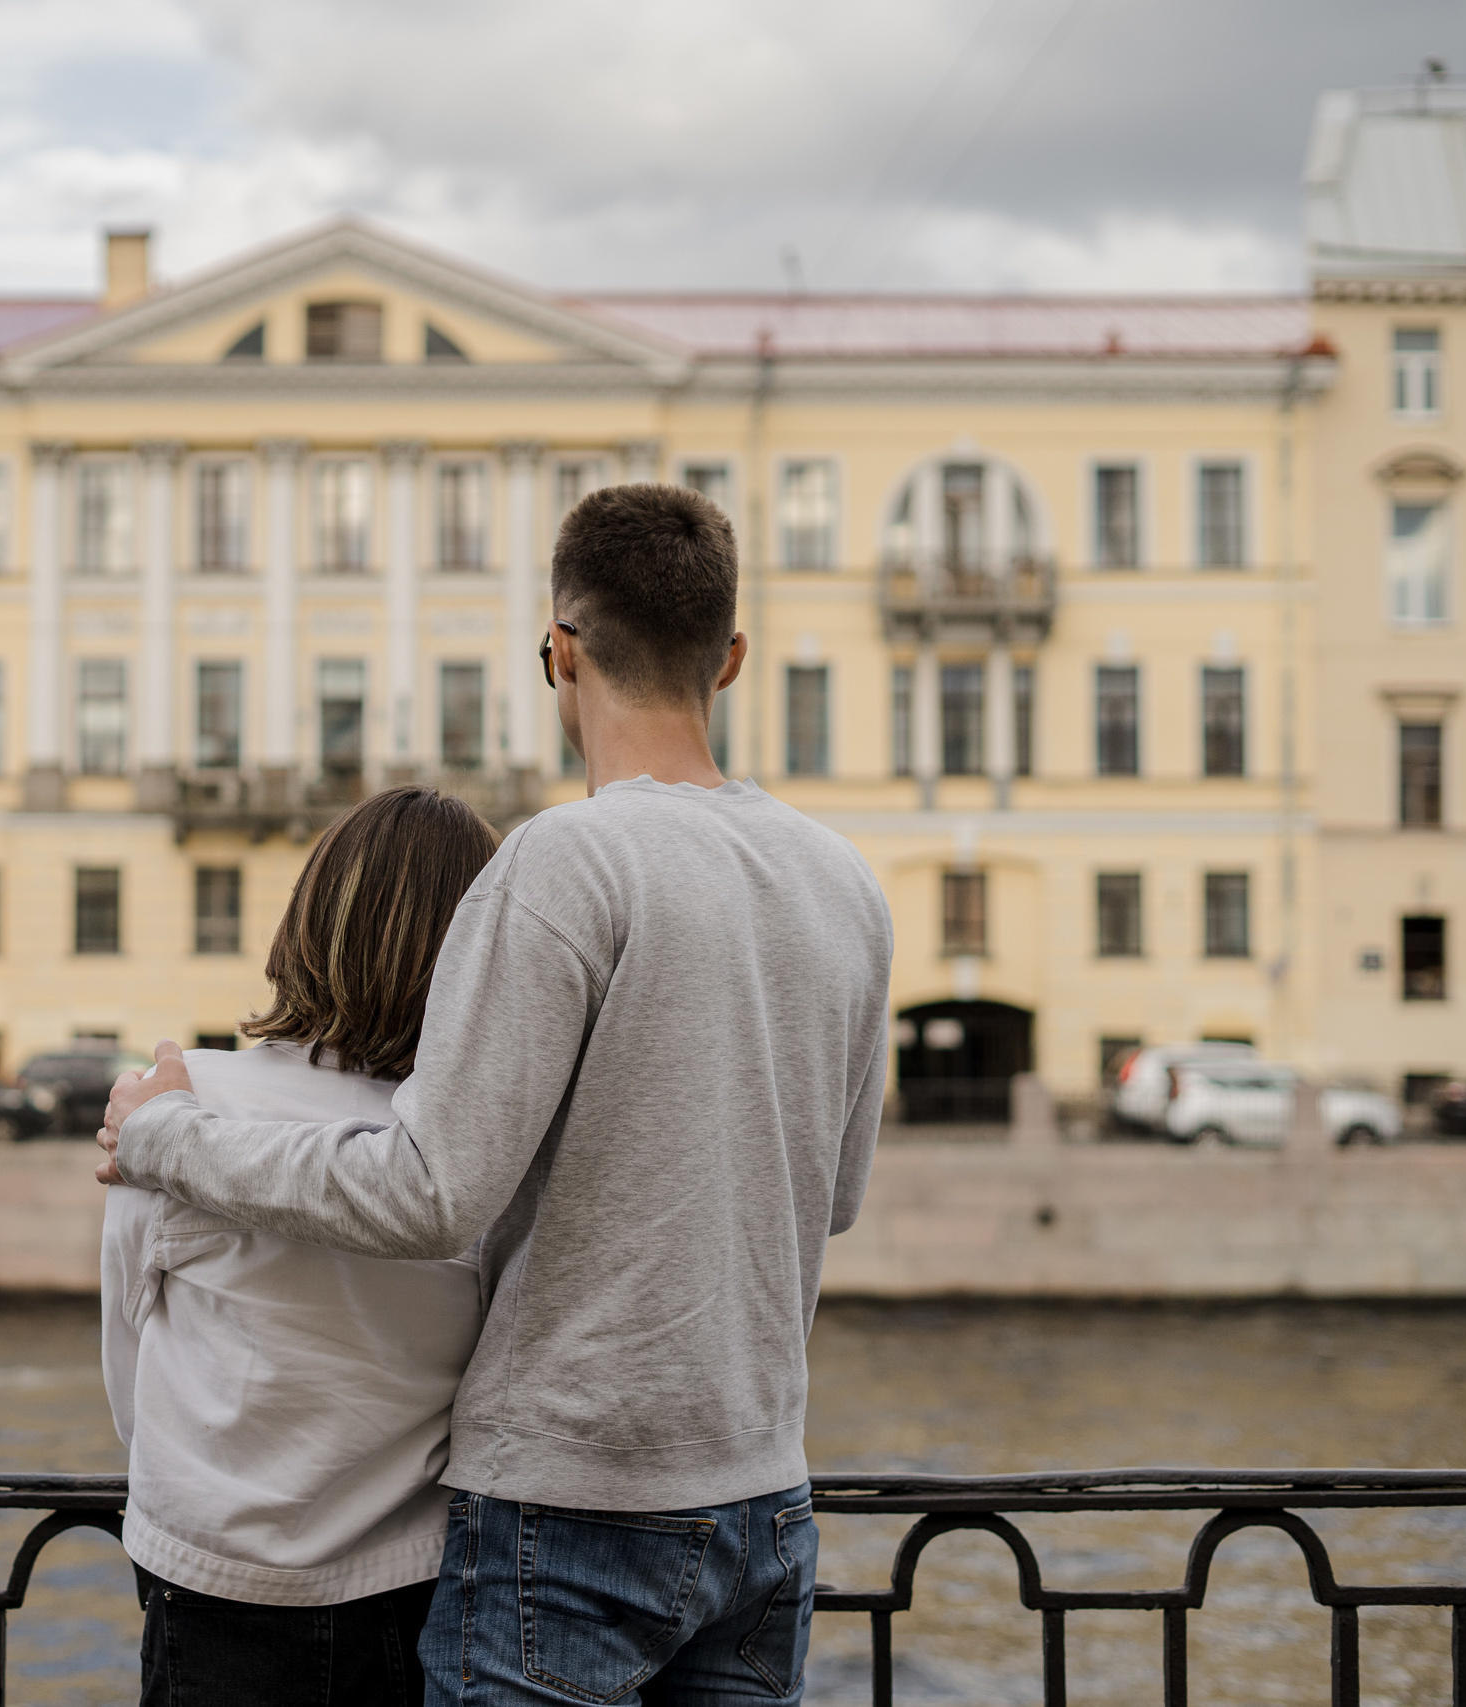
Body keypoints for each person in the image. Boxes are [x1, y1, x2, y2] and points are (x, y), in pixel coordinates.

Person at [100, 482, 893, 1705]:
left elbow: (428, 1193)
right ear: (730, 661)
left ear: (557, 652)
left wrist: (165, 1140)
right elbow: (833, 1198)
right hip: (763, 1499)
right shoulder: (845, 884)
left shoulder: (565, 860)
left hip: (565, 1514)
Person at [102, 785, 503, 1706]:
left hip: (210, 1577)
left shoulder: (173, 1099)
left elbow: (129, 1358)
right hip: (411, 1590)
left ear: (307, 921)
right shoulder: (476, 1149)